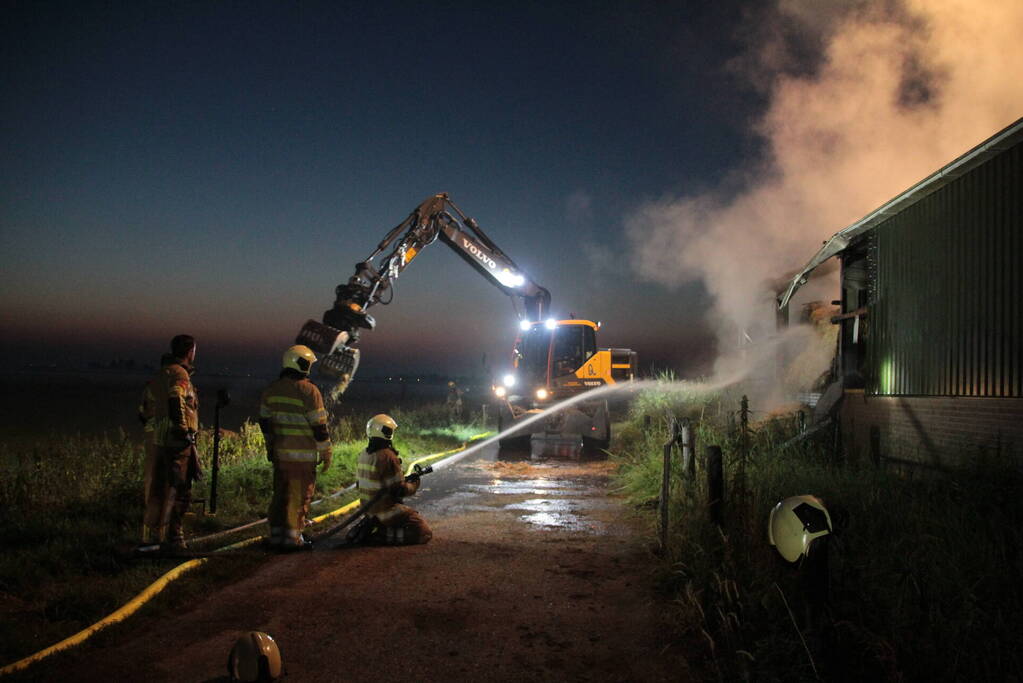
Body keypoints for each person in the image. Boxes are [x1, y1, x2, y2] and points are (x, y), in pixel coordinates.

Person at [259, 345, 332, 550]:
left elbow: (264, 422)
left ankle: (276, 536)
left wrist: (270, 445)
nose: (309, 367)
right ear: (300, 364)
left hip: (281, 456)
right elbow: (319, 426)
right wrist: (326, 452)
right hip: (302, 458)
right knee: (298, 498)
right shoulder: (309, 390)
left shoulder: (271, 390)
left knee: (280, 496)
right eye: (307, 363)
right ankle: (293, 539)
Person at [149, 335, 202, 551]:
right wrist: (182, 429)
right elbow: (176, 397)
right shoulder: (180, 374)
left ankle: (156, 535)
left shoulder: (163, 372)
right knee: (180, 489)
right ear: (190, 351)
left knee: (162, 487)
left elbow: (150, 404)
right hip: (177, 442)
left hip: (161, 439)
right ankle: (174, 538)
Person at [356, 414, 432, 545]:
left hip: (368, 511)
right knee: (423, 532)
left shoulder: (364, 454)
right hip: (385, 512)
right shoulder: (388, 456)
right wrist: (414, 484)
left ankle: (378, 530)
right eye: (389, 430)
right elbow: (400, 490)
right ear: (384, 432)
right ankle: (381, 536)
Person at [138, 352, 174, 545]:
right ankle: (162, 534)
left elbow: (142, 412)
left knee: (151, 483)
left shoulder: (151, 385)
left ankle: (147, 533)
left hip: (151, 435)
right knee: (168, 485)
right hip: (168, 437)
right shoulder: (175, 384)